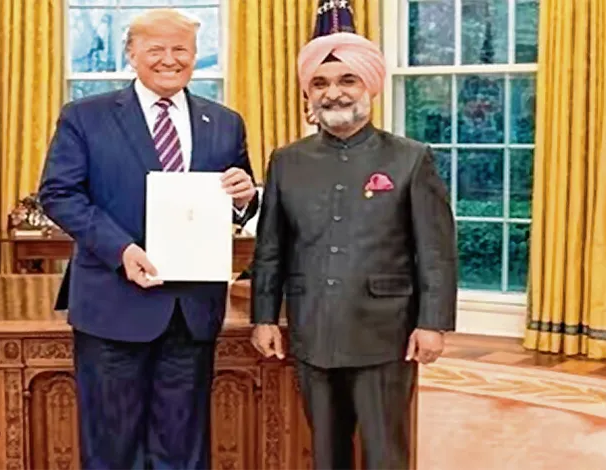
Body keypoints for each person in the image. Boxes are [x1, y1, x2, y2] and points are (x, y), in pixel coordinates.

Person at [38, 8, 258, 469]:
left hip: (191, 312)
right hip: (112, 305)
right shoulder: (85, 116)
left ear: (196, 55)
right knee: (112, 448)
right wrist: (120, 249)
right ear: (131, 54)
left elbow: (240, 198)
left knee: (183, 448)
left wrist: (245, 196)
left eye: (181, 49)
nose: (169, 59)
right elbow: (58, 194)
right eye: (155, 49)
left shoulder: (224, 122)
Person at [249, 32, 457, 470]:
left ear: (369, 86)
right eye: (320, 83)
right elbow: (271, 247)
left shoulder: (411, 158)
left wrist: (432, 323)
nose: (334, 92)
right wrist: (263, 317)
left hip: (385, 331)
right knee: (326, 453)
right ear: (308, 93)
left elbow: (435, 250)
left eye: (347, 80)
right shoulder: (286, 160)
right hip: (311, 328)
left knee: (385, 453)